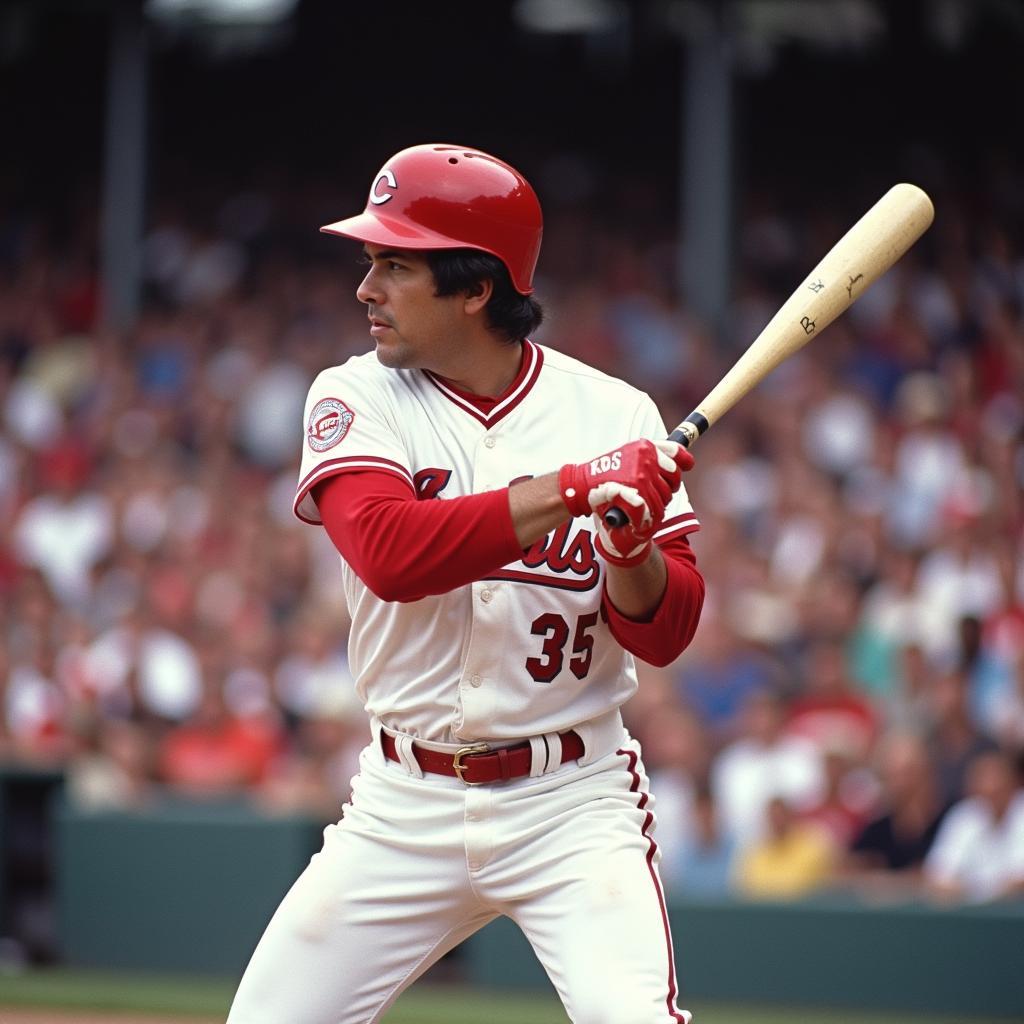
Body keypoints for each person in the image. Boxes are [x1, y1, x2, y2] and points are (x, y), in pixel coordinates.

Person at [226, 144, 705, 1024]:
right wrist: (568, 490)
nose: (366, 288)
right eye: (372, 262)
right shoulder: (354, 395)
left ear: (476, 287)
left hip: (572, 801)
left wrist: (632, 555)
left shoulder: (615, 410)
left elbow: (666, 632)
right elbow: (389, 554)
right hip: (402, 801)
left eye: (395, 265)